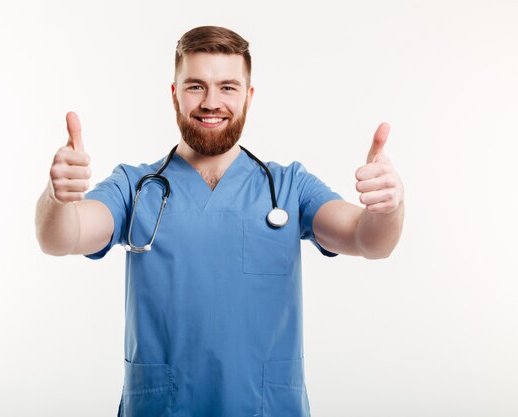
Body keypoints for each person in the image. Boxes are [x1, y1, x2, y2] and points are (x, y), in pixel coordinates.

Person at [35, 26, 404, 417]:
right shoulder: (136, 186)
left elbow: (369, 240)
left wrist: (388, 208)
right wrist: (57, 197)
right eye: (196, 86)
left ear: (249, 96)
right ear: (174, 94)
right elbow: (62, 237)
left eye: (228, 87)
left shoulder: (289, 186)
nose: (211, 102)